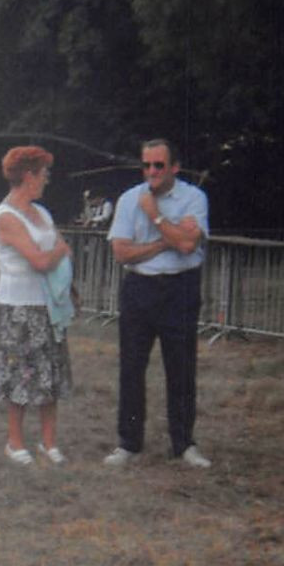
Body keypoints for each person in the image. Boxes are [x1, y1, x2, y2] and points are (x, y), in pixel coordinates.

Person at [104, 139, 211, 468]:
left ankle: (183, 444)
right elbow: (121, 251)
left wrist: (155, 218)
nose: (151, 172)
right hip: (139, 288)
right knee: (132, 368)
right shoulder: (128, 199)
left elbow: (191, 245)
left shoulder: (194, 198)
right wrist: (169, 239)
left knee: (181, 368)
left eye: (159, 165)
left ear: (174, 167)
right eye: (146, 165)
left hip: (180, 288)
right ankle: (128, 443)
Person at [0, 146, 74, 466]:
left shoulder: (42, 213)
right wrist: (61, 251)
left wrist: (61, 254)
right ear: (28, 176)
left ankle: (49, 443)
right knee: (20, 375)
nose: (46, 180)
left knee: (50, 373)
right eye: (43, 174)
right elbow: (41, 259)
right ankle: (15, 442)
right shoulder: (6, 216)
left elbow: (56, 251)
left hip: (47, 305)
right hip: (17, 307)